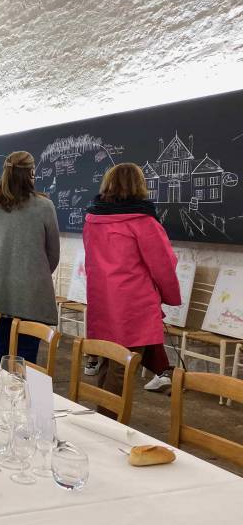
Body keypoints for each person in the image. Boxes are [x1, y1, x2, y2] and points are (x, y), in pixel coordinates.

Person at [84, 163, 181, 401]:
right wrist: (170, 296)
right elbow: (163, 264)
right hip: (132, 303)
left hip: (101, 299)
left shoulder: (93, 219)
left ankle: (101, 418)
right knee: (124, 366)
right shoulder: (142, 221)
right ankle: (109, 426)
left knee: (108, 361)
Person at [0, 151, 60, 365]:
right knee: (24, 363)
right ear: (31, 174)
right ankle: (19, 398)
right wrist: (32, 271)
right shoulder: (44, 206)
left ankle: (0, 397)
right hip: (30, 297)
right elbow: (53, 255)